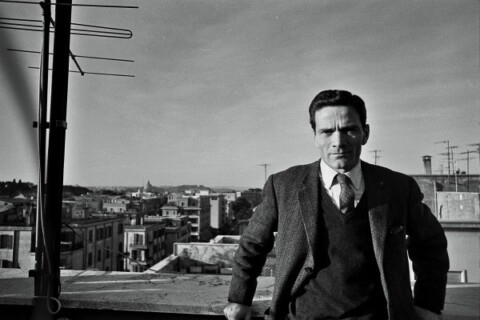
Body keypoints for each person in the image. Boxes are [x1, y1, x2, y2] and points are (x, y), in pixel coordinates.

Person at [224, 90, 449, 320]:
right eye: (327, 131)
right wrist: (239, 298)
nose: (338, 142)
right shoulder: (283, 185)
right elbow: (253, 243)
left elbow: (430, 244)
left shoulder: (398, 187)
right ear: (315, 137)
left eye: (349, 129)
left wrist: (427, 303)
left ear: (365, 133)